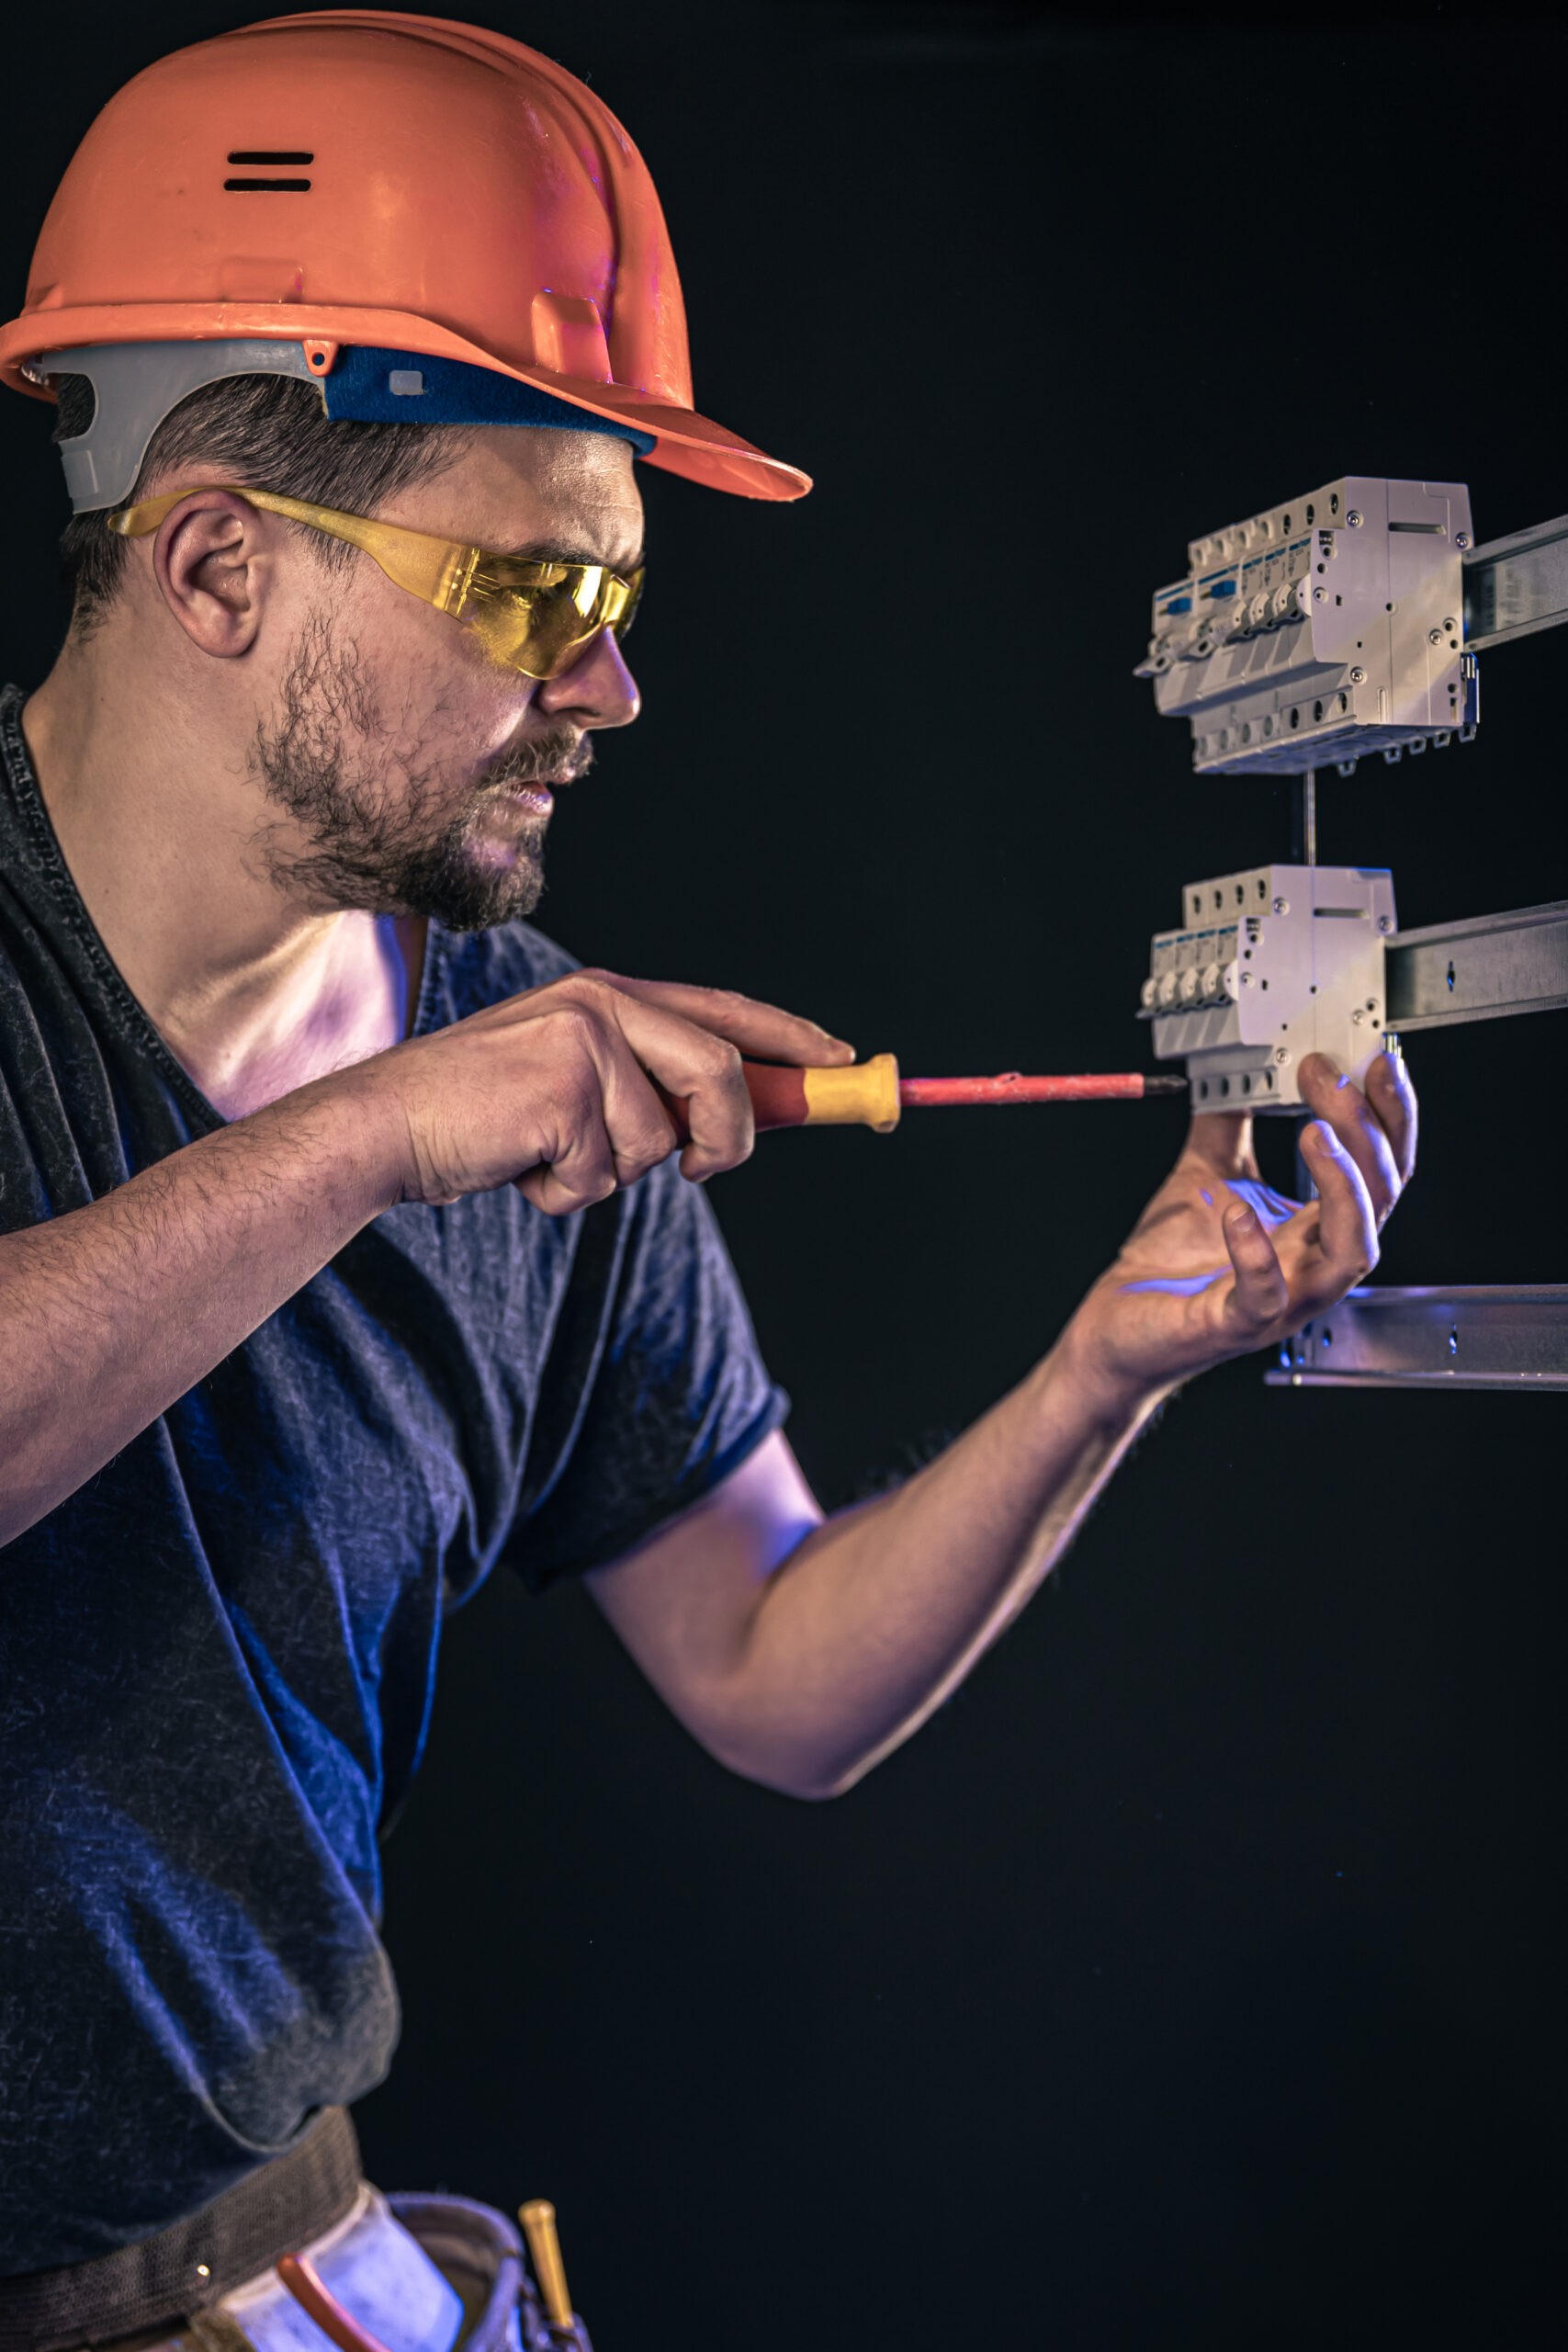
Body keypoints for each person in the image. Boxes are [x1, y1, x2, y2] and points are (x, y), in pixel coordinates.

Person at [0, 9, 1416, 2340]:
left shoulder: (519, 1058)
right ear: (222, 564)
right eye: (532, 599)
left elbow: (772, 1666)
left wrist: (1102, 1371)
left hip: (257, 2283)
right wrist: (368, 1146)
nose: (614, 689)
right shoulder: (451, 1097)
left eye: (621, 601)